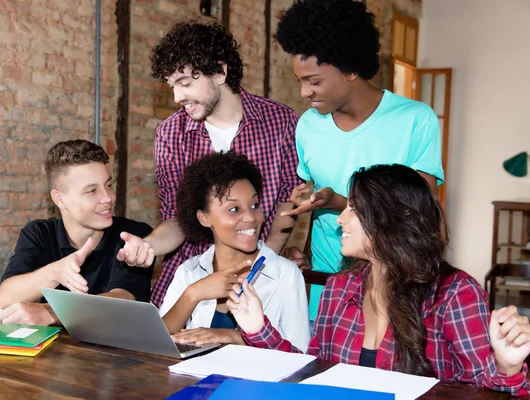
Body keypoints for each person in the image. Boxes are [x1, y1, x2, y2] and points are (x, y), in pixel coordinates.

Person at [228, 164, 530, 395]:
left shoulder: (454, 293)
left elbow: (484, 389)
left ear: (391, 220)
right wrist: (258, 327)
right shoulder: (339, 287)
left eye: (354, 210)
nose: (340, 218)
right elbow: (315, 374)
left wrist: (508, 365)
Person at [274, 0, 445, 322]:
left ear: (351, 69)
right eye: (300, 80)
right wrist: (308, 254)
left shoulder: (413, 120)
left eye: (314, 81)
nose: (303, 92)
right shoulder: (308, 126)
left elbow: (417, 216)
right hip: (325, 282)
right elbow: (317, 209)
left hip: (390, 282)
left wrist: (341, 201)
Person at [117, 21, 301, 307]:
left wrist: (259, 271)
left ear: (219, 71)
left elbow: (287, 208)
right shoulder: (170, 134)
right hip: (189, 281)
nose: (178, 98)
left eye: (186, 83)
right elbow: (177, 219)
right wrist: (148, 246)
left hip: (261, 277)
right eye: (172, 86)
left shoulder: (281, 123)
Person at [158, 152, 310, 352]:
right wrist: (194, 293)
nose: (250, 217)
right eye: (234, 209)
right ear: (204, 218)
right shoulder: (189, 272)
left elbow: (301, 357)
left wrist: (232, 336)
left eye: (255, 205)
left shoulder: (285, 274)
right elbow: (156, 343)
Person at [0, 140, 154, 325]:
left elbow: (123, 300)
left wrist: (53, 313)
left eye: (109, 185)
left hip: (122, 350)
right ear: (60, 199)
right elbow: (5, 297)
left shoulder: (133, 235)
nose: (108, 197)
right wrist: (56, 272)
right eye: (92, 190)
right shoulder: (39, 233)